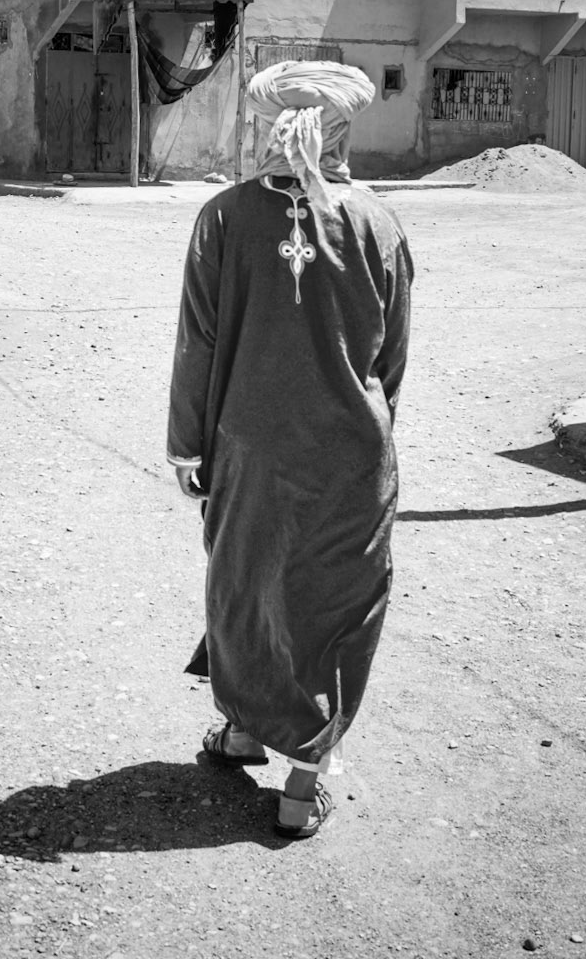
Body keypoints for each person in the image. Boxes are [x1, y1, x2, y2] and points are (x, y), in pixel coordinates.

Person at [167, 59, 413, 838]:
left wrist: (187, 447)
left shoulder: (223, 217)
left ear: (266, 128)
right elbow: (389, 358)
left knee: (246, 586)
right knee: (334, 606)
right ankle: (298, 788)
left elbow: (198, 342)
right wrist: (372, 438)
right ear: (342, 130)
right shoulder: (376, 223)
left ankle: (247, 731)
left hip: (247, 451)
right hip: (350, 457)